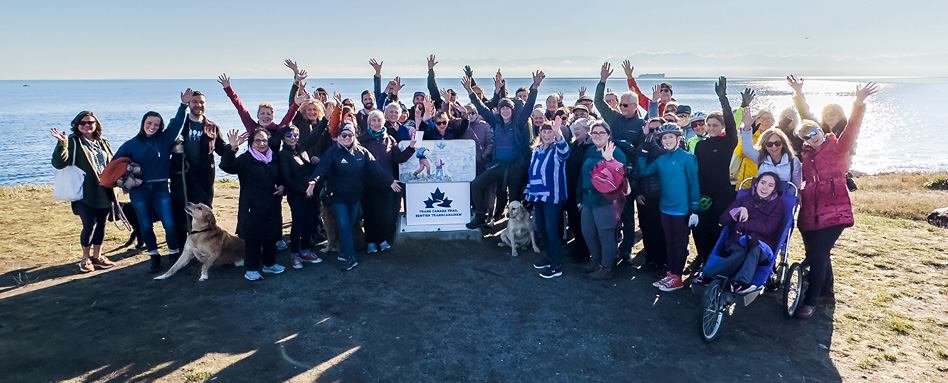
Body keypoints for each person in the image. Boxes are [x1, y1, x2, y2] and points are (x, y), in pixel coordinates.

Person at [793, 83, 878, 318]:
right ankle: (827, 293)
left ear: (821, 131)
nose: (810, 137)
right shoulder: (806, 156)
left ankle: (811, 300)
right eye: (805, 135)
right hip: (810, 211)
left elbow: (852, 127)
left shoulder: (839, 147)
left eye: (813, 132)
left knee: (819, 254)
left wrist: (858, 103)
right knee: (817, 255)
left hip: (835, 210)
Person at [113, 90, 192, 273]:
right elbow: (116, 165)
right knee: (145, 225)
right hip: (139, 191)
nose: (153, 127)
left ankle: (173, 254)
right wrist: (130, 178)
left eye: (156, 124)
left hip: (161, 187)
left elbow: (177, 123)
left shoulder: (164, 140)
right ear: (143, 124)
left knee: (169, 224)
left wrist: (183, 105)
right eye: (149, 123)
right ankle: (154, 256)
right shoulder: (130, 144)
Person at [306, 124, 402, 271]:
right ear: (338, 137)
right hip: (339, 197)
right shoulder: (332, 153)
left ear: (354, 137)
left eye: (349, 135)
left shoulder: (362, 152)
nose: (346, 138)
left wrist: (390, 181)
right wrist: (313, 180)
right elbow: (322, 168)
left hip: (355, 196)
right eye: (343, 135)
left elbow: (376, 169)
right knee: (344, 225)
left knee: (349, 225)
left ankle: (343, 252)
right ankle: (350, 258)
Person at [463, 70, 545, 229]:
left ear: (512, 110)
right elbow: (480, 107)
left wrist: (534, 87)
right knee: (477, 184)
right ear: (499, 111)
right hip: (500, 166)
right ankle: (480, 216)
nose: (505, 111)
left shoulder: (518, 123)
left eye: (508, 108)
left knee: (514, 200)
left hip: (516, 167)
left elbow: (528, 107)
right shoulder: (495, 123)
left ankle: (514, 228)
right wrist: (469, 91)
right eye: (502, 108)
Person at [689, 78, 744, 274]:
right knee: (699, 230)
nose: (711, 128)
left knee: (718, 230)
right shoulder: (701, 145)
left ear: (721, 127)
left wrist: (723, 98)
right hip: (703, 194)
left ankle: (717, 265)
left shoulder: (729, 142)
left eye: (715, 125)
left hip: (723, 194)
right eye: (708, 125)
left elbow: (731, 123)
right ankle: (703, 260)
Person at [51, 112, 117, 273]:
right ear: (77, 125)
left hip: (105, 190)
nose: (87, 125)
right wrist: (62, 144)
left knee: (101, 224)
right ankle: (85, 258)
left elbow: (113, 160)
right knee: (89, 225)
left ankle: (98, 256)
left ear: (96, 124)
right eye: (83, 123)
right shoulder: (73, 142)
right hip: (85, 191)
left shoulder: (103, 141)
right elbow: (59, 163)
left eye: (91, 122)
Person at [636, 123, 700, 291]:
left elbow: (694, 185)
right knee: (669, 242)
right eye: (664, 137)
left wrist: (694, 209)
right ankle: (671, 274)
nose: (668, 140)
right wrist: (644, 148)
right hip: (665, 207)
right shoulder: (661, 159)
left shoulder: (688, 158)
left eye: (671, 137)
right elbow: (641, 171)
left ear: (678, 138)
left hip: (682, 209)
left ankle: (678, 277)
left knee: (680, 243)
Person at [696, 172, 786, 293]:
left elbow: (768, 228)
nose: (765, 187)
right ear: (756, 184)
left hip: (762, 246)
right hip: (737, 242)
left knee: (753, 248)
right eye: (762, 183)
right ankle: (737, 282)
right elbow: (723, 220)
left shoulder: (778, 205)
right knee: (743, 251)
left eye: (770, 185)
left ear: (774, 189)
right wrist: (739, 210)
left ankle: (722, 278)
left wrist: (742, 224)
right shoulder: (744, 200)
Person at [220, 128, 287, 281]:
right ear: (251, 143)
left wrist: (283, 187)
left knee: (271, 236)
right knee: (253, 239)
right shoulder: (245, 159)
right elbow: (226, 166)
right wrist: (232, 148)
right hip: (252, 206)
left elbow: (282, 177)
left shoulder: (274, 158)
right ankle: (251, 269)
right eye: (257, 140)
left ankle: (269, 265)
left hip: (272, 204)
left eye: (264, 140)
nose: (262, 144)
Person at [594, 62, 645, 260]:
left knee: (627, 214)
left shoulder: (641, 124)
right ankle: (611, 245)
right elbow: (599, 103)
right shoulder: (614, 118)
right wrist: (602, 81)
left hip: (629, 175)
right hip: (610, 173)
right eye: (621, 104)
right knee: (611, 211)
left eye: (625, 105)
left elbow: (642, 152)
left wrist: (629, 148)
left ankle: (626, 250)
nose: (621, 107)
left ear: (634, 106)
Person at [168, 91, 227, 258]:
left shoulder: (212, 127)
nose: (198, 105)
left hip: (204, 179)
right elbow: (164, 143)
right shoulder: (179, 125)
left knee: (204, 215)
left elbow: (222, 150)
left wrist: (234, 147)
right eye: (194, 102)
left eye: (201, 102)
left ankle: (203, 250)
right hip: (182, 178)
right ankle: (181, 252)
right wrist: (172, 149)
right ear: (188, 104)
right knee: (181, 214)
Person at [787, 74, 859, 191]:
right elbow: (805, 114)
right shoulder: (820, 130)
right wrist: (798, 92)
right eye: (826, 114)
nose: (828, 117)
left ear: (840, 116)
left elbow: (848, 148)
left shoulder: (843, 132)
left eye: (832, 114)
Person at [577, 121, 628, 280]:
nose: (598, 136)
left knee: (605, 235)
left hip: (605, 202)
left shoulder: (616, 152)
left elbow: (621, 178)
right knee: (588, 233)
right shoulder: (590, 150)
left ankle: (606, 268)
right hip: (587, 200)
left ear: (608, 135)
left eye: (601, 133)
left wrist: (609, 161)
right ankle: (596, 260)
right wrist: (579, 197)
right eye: (594, 133)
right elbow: (582, 175)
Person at [360, 110, 416, 253]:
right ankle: (371, 242)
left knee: (384, 213)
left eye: (379, 120)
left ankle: (382, 240)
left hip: (387, 184)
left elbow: (398, 159)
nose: (376, 123)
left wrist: (411, 148)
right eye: (373, 120)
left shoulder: (390, 139)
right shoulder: (362, 139)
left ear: (383, 122)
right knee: (370, 213)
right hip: (369, 183)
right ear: (369, 123)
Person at [526, 117, 571, 278]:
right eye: (544, 132)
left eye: (549, 132)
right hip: (538, 196)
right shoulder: (537, 150)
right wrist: (529, 191)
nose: (547, 135)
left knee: (552, 230)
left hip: (553, 196)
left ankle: (556, 265)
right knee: (542, 228)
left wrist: (558, 133)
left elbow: (565, 152)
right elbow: (532, 173)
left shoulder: (557, 150)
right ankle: (549, 257)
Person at [218, 72, 305, 151]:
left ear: (272, 116)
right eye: (262, 113)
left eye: (268, 114)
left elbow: (290, 114)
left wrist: (297, 104)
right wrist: (228, 88)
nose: (265, 116)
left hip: (273, 166)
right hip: (253, 164)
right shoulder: (251, 126)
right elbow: (240, 107)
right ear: (258, 116)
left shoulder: (278, 129)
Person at [277, 125, 324, 269]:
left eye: (296, 135)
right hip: (297, 195)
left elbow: (315, 135)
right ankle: (294, 255)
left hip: (311, 192)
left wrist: (326, 119)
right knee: (298, 224)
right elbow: (287, 178)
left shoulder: (301, 148)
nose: (293, 138)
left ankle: (305, 251)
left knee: (309, 223)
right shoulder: (283, 155)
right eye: (289, 136)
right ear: (283, 138)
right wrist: (304, 191)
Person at [633, 117, 669, 272]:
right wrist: (637, 193)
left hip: (663, 195)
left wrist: (649, 141)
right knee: (647, 229)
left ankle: (664, 261)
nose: (655, 133)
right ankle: (650, 259)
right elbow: (637, 171)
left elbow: (662, 155)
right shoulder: (643, 145)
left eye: (657, 130)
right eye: (651, 129)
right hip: (646, 194)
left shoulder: (668, 145)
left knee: (663, 230)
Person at [739, 112, 803, 188]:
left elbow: (796, 185)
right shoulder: (760, 157)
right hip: (762, 197)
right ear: (764, 146)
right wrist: (747, 126)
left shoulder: (793, 161)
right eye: (769, 144)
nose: (774, 147)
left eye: (777, 143)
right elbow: (747, 149)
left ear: (783, 144)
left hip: (782, 198)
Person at [564, 118, 594, 261]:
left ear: (587, 131)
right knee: (574, 220)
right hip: (570, 187)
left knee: (582, 221)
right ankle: (577, 247)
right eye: (575, 129)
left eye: (579, 129)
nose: (576, 131)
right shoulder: (574, 145)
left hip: (581, 188)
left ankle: (584, 252)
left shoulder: (590, 147)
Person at [733, 109, 775, 189]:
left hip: (767, 182)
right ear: (756, 120)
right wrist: (749, 133)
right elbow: (739, 152)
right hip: (747, 180)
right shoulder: (749, 135)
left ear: (772, 121)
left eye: (768, 119)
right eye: (762, 119)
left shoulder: (776, 138)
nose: (765, 121)